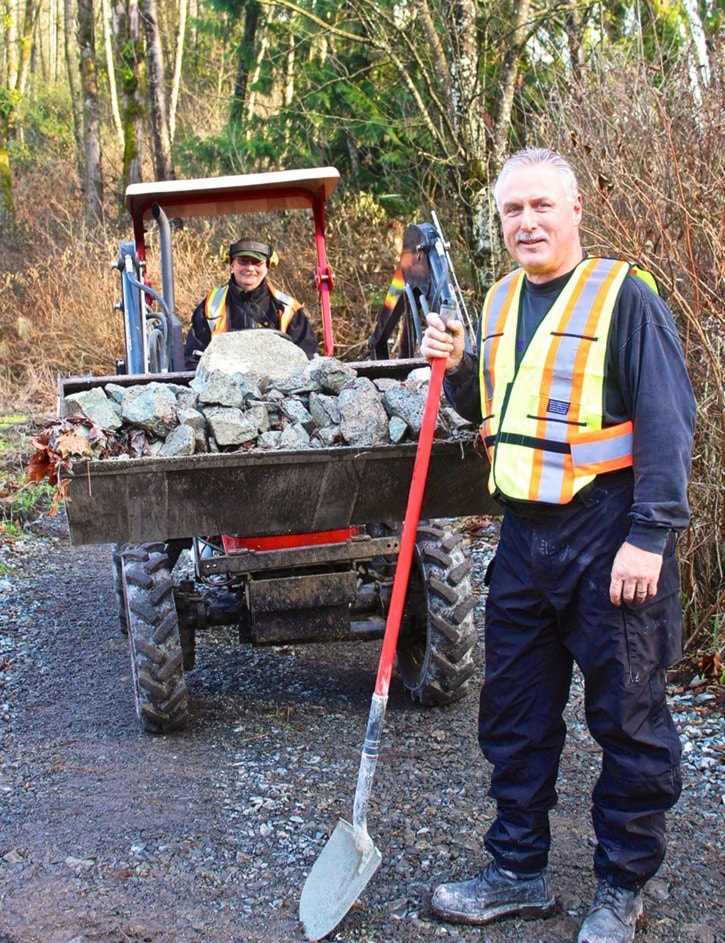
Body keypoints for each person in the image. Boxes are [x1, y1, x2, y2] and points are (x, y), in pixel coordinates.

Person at [420, 147, 696, 943]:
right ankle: (516, 870)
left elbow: (668, 422)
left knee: (628, 717)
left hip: (611, 534)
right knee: (513, 710)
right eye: (512, 210)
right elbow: (496, 410)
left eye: (541, 206)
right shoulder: (501, 301)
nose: (527, 222)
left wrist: (649, 536)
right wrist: (459, 364)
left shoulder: (623, 297)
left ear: (575, 209)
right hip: (523, 539)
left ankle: (620, 886)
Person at [183, 238, 318, 368]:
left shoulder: (289, 309)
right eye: (243, 261)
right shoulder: (210, 305)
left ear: (268, 266)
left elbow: (307, 357)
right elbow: (194, 358)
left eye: (257, 263)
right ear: (232, 264)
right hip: (224, 384)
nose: (250, 268)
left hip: (278, 386)